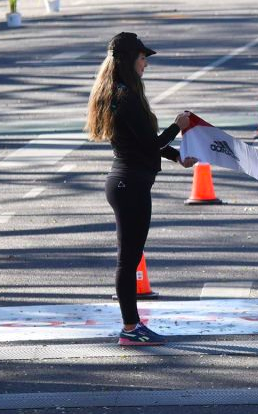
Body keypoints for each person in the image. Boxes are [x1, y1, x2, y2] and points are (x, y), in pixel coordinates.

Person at [85, 33, 197, 346]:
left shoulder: (121, 92)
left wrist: (177, 157)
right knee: (128, 260)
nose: (145, 63)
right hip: (129, 185)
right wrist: (178, 126)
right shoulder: (125, 96)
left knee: (130, 259)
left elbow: (142, 143)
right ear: (129, 59)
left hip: (128, 183)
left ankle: (132, 326)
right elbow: (150, 142)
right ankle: (130, 329)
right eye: (142, 57)